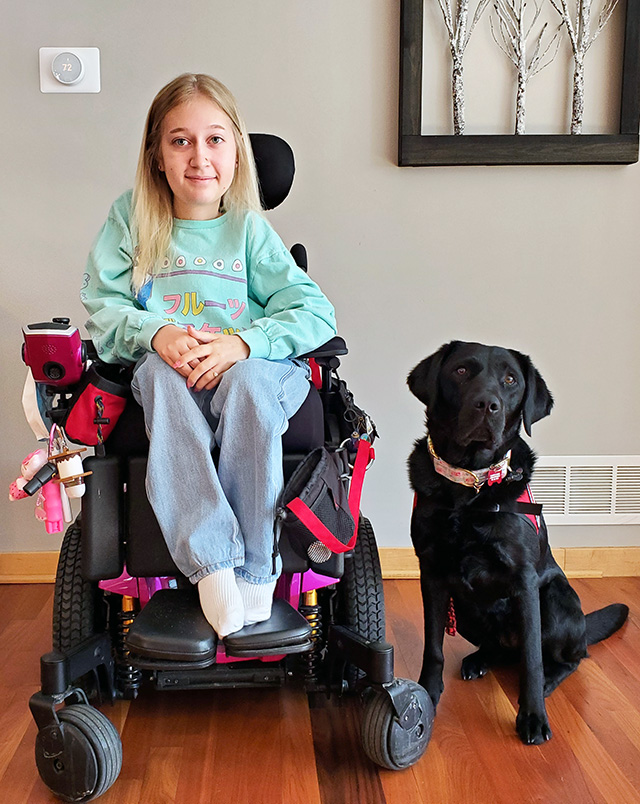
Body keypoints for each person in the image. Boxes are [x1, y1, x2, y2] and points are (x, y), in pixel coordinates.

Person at [80, 73, 336, 637]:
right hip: (171, 372)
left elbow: (316, 314)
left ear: (237, 153)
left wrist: (243, 343)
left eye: (215, 139)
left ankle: (255, 568)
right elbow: (102, 306)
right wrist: (157, 333)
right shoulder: (132, 220)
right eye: (181, 140)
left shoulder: (250, 231)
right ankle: (214, 564)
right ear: (157, 156)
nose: (200, 157)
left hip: (254, 372)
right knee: (159, 374)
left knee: (245, 382)